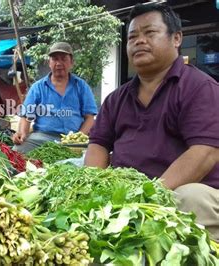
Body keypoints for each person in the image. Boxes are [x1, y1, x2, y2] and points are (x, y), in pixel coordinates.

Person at [84, 3, 219, 241]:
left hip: (180, 194)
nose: (139, 41)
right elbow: (98, 144)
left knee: (190, 197)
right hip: (127, 195)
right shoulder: (117, 98)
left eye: (150, 33)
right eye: (132, 36)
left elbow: (205, 152)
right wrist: (94, 189)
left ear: (176, 38)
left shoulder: (199, 88)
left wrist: (148, 197)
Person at [12, 42, 98, 154]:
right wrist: (22, 133)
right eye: (55, 59)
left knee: (93, 156)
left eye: (63, 59)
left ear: (71, 62)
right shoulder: (38, 87)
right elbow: (26, 116)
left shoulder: (81, 86)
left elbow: (90, 118)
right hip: (41, 138)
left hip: (72, 140)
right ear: (49, 63)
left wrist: (78, 137)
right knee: (17, 151)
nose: (59, 63)